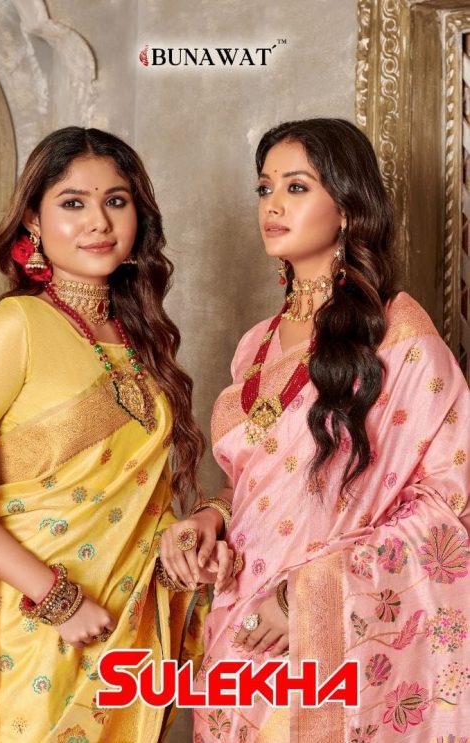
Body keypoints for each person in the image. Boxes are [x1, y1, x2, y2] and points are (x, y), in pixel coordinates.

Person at [162, 118, 470, 741]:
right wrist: (210, 519)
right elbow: (251, 486)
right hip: (241, 624)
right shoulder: (257, 344)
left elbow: (452, 501)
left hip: (327, 631)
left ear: (348, 208)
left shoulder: (397, 335)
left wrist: (309, 594)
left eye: (296, 187)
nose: (273, 204)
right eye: (265, 188)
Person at [0, 126, 234, 743]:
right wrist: (55, 598)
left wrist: (187, 542)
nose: (99, 221)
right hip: (31, 634)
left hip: (127, 627)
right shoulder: (15, 326)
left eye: (116, 201)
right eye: (73, 203)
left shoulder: (143, 340)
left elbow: (139, 501)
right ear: (33, 221)